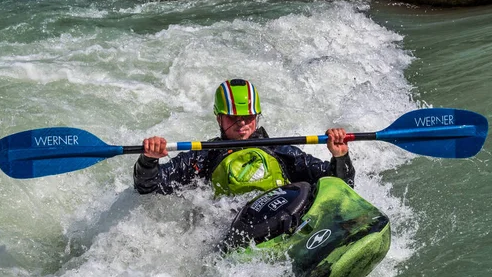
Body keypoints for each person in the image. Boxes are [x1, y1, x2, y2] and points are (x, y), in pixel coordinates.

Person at [134, 79, 355, 196]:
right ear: (219, 118)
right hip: (237, 230)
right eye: (233, 117)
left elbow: (340, 185)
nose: (241, 123)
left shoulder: (279, 150)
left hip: (285, 217)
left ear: (256, 117)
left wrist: (340, 157)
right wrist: (149, 160)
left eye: (248, 117)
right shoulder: (203, 156)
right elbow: (150, 187)